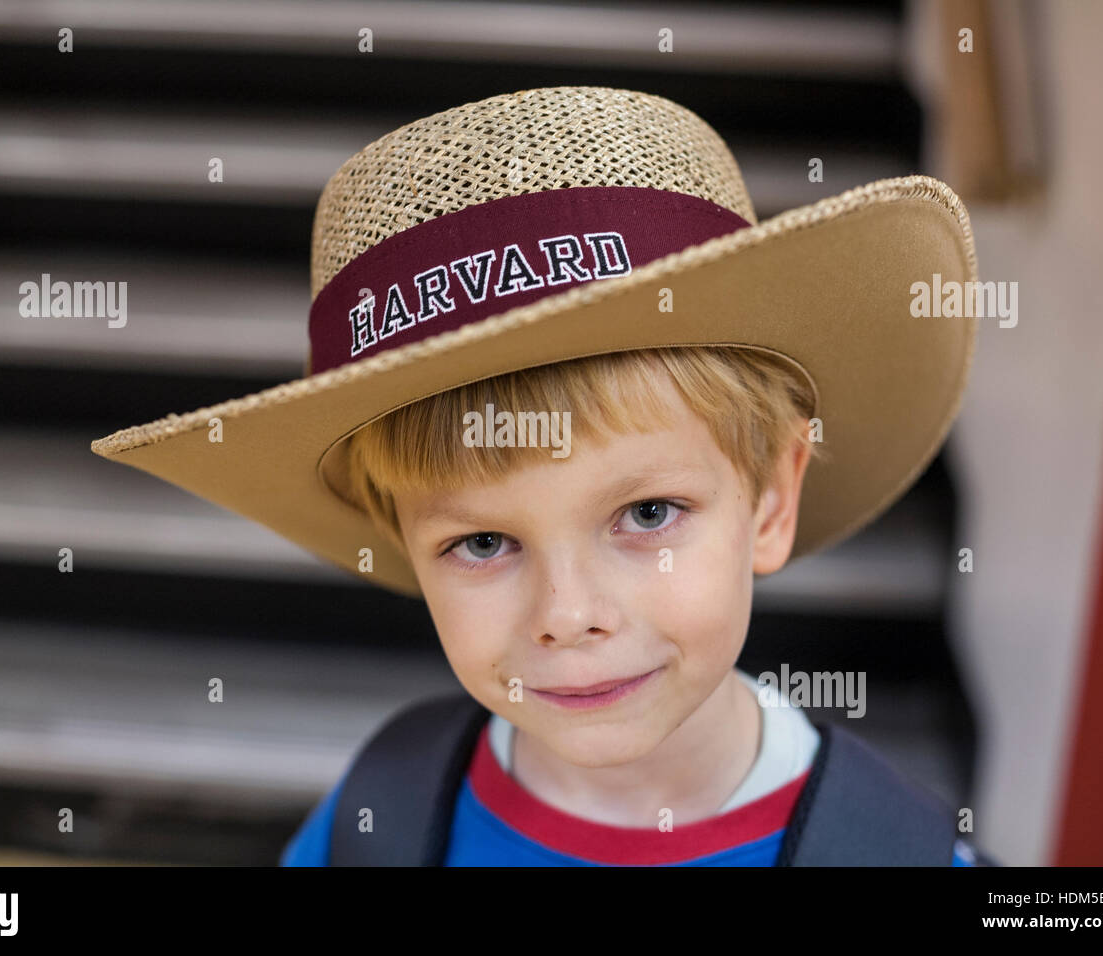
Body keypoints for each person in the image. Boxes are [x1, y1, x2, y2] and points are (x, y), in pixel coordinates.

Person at [91, 86, 992, 866]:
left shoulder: (892, 849)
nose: (567, 616)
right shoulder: (386, 819)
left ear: (773, 499)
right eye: (481, 542)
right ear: (402, 541)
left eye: (647, 513)